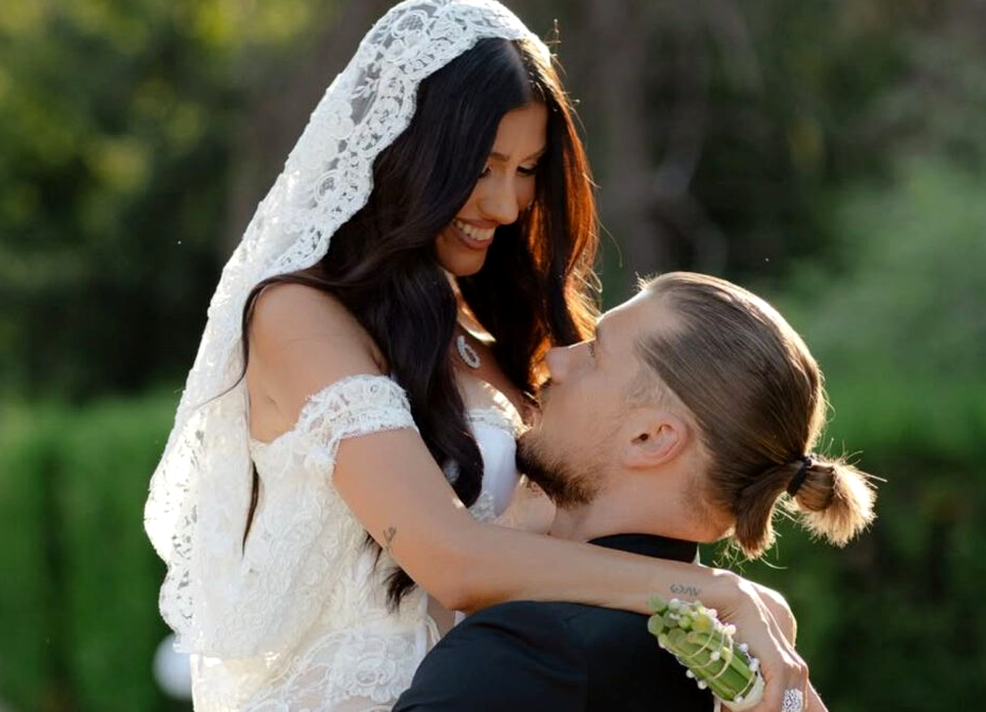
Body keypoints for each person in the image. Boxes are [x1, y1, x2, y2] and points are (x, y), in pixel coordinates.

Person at [144, 2, 809, 710]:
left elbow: (573, 541)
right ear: (407, 155)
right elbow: (450, 558)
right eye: (483, 167)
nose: (507, 204)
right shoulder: (300, 318)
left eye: (526, 169)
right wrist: (709, 591)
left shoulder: (498, 339)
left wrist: (729, 615)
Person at [394, 272, 876, 712]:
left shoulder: (529, 649)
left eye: (595, 354)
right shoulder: (732, 660)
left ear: (650, 438)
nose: (557, 359)